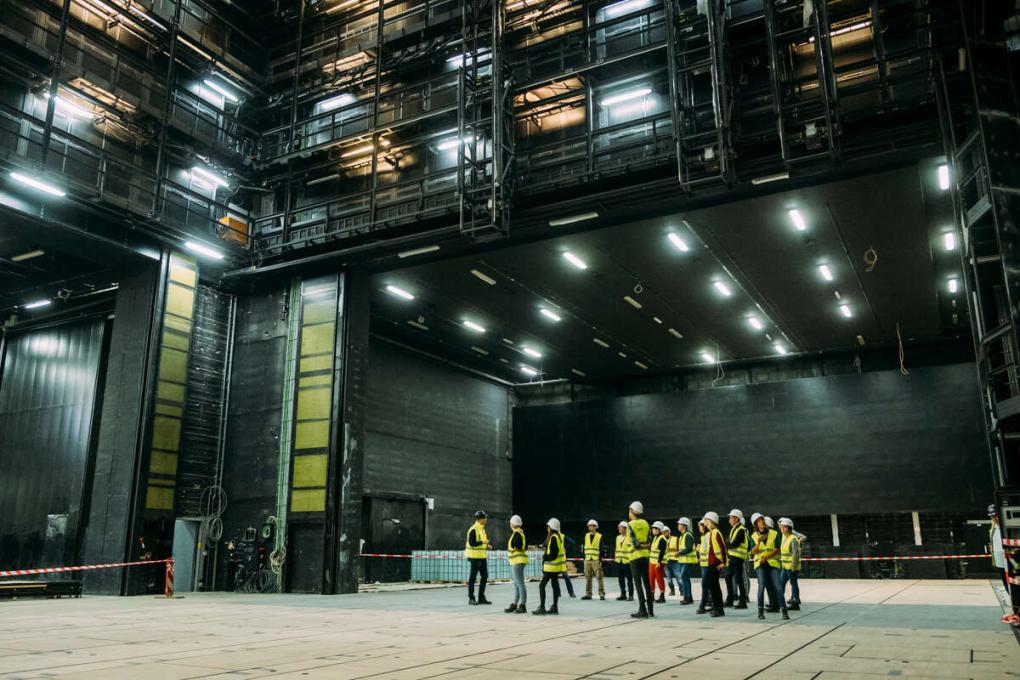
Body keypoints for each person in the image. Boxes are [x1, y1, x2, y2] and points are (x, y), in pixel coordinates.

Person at [751, 513, 787, 620]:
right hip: (760, 565)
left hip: (773, 564)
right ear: (756, 525)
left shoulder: (774, 533)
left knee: (778, 588)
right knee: (761, 587)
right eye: (759, 521)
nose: (762, 522)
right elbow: (753, 551)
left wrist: (766, 557)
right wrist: (758, 542)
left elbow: (777, 549)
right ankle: (760, 611)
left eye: (762, 520)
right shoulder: (753, 536)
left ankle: (784, 610)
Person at [697, 512, 728, 617]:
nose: (704, 522)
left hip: (715, 564)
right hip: (712, 563)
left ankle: (718, 609)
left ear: (712, 521)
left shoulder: (715, 532)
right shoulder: (711, 533)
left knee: (714, 587)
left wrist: (724, 562)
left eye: (706, 520)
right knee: (713, 586)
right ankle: (717, 608)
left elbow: (723, 548)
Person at [627, 501, 655, 618]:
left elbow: (635, 545)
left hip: (635, 557)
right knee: (647, 584)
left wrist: (640, 545)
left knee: (638, 584)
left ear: (632, 511)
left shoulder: (630, 525)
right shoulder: (646, 524)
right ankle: (650, 610)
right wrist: (645, 545)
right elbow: (650, 543)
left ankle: (642, 610)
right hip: (645, 556)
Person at [533, 518, 565, 615]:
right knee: (554, 585)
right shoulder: (558, 536)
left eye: (548, 526)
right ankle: (554, 607)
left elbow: (553, 554)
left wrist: (545, 556)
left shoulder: (553, 537)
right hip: (555, 568)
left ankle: (542, 607)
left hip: (551, 568)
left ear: (551, 528)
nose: (547, 528)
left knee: (542, 585)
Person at [464, 510, 492, 605]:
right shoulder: (473, 529)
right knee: (473, 578)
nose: (486, 519)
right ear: (480, 519)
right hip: (474, 557)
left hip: (482, 556)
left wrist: (487, 545)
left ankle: (481, 597)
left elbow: (482, 542)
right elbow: (472, 543)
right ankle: (471, 598)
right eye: (485, 518)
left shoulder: (482, 529)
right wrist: (483, 543)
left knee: (485, 576)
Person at [725, 509, 750, 609]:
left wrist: (728, 544)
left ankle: (742, 601)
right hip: (733, 557)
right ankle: (730, 599)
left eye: (731, 518)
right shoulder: (734, 529)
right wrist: (729, 543)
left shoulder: (741, 530)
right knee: (729, 577)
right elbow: (729, 542)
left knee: (738, 579)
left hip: (738, 558)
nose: (729, 520)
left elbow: (734, 544)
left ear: (736, 518)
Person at [505, 514, 528, 613]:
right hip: (518, 561)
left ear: (512, 524)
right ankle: (515, 603)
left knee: (520, 584)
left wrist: (513, 548)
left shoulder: (517, 534)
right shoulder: (521, 533)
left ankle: (522, 605)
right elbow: (525, 547)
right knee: (517, 584)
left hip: (517, 562)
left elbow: (518, 545)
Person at [778, 517, 801, 611]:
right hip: (785, 566)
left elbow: (796, 554)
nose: (782, 529)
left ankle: (795, 602)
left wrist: (794, 567)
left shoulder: (793, 539)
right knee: (781, 583)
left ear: (789, 528)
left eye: (784, 527)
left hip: (791, 567)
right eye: (781, 527)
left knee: (793, 584)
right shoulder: (785, 537)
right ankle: (780, 601)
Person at [582, 519, 606, 600]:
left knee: (599, 577)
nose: (590, 527)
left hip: (596, 559)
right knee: (588, 577)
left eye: (592, 525)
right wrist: (584, 558)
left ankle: (601, 594)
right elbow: (584, 547)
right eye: (589, 526)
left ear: (595, 527)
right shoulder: (586, 535)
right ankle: (588, 594)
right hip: (587, 559)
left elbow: (601, 548)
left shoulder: (599, 536)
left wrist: (600, 559)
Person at [676, 517, 697, 604]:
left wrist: (679, 553)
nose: (678, 526)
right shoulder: (683, 535)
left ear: (684, 526)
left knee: (684, 578)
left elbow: (688, 548)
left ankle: (687, 598)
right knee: (685, 579)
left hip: (687, 561)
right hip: (683, 561)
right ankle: (688, 597)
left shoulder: (687, 535)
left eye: (679, 524)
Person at [615, 520, 634, 601]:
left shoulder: (630, 538)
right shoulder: (618, 537)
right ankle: (623, 594)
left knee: (629, 579)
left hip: (627, 562)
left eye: (620, 527)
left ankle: (631, 595)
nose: (619, 528)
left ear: (625, 528)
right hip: (619, 561)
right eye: (618, 527)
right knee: (620, 579)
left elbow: (632, 549)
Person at [649, 521, 668, 603]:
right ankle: (652, 595)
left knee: (659, 579)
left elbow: (662, 552)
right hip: (652, 562)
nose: (652, 530)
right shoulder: (655, 538)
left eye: (653, 528)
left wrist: (659, 562)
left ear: (658, 529)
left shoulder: (662, 539)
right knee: (651, 579)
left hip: (658, 563)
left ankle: (662, 596)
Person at [664, 524, 681, 597]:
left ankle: (682, 591)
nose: (664, 534)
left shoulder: (675, 539)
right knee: (668, 579)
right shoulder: (662, 539)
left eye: (665, 532)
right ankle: (672, 591)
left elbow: (679, 549)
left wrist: (670, 549)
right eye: (663, 532)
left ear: (669, 532)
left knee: (679, 578)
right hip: (666, 562)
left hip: (674, 561)